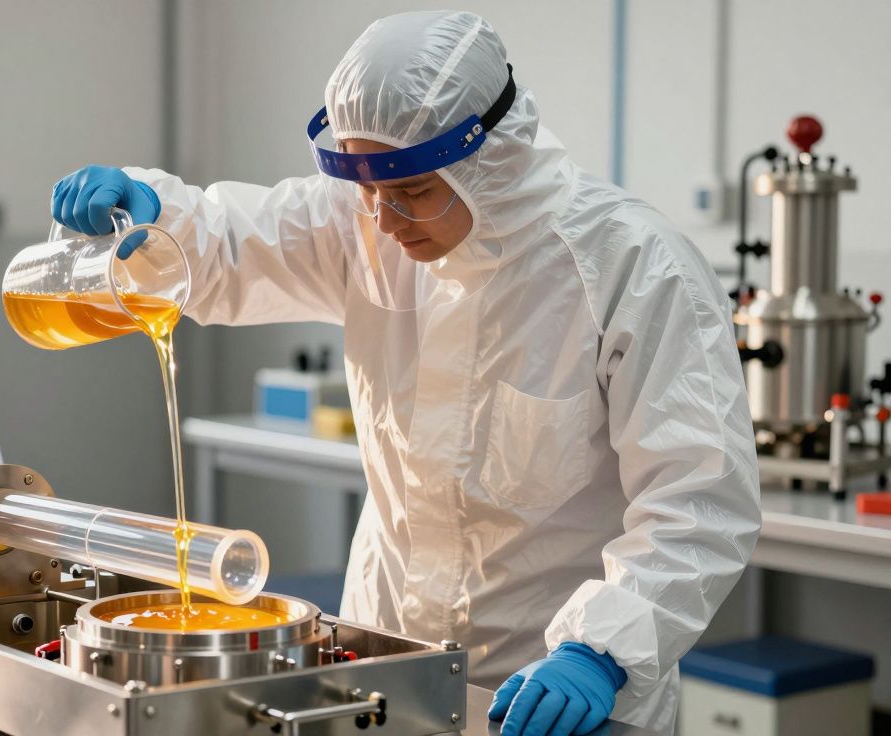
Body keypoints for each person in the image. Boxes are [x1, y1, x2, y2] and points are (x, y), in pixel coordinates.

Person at [50, 11, 760, 735]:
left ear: (490, 156)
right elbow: (233, 243)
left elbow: (698, 499)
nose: (385, 220)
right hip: (384, 672)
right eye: (367, 188)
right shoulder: (368, 224)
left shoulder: (634, 268)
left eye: (413, 190)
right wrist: (155, 217)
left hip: (552, 694)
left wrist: (600, 651)